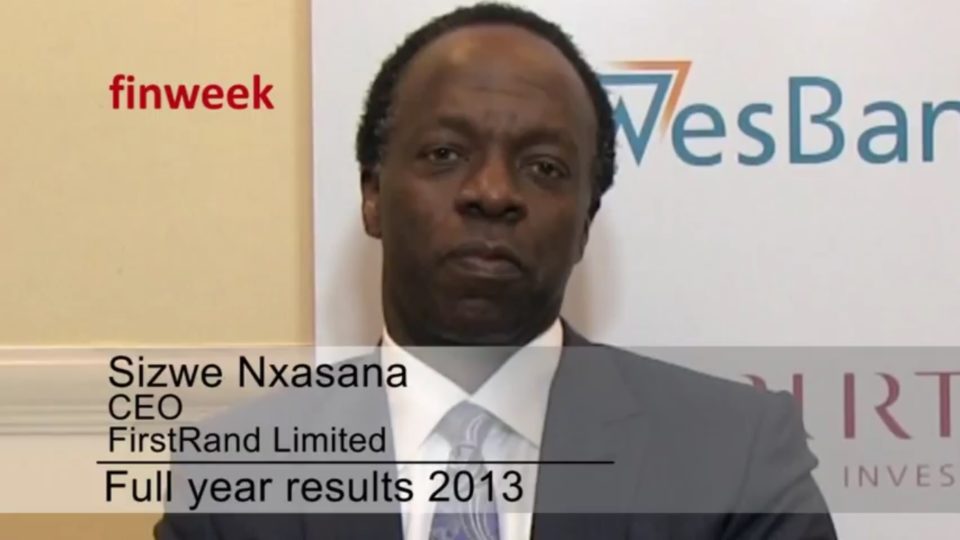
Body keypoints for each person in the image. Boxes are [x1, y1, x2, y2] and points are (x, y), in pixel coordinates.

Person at [156, 3, 836, 538]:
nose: (492, 192)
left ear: (585, 222)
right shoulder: (236, 473)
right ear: (372, 195)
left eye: (544, 166)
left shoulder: (734, 459)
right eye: (445, 153)